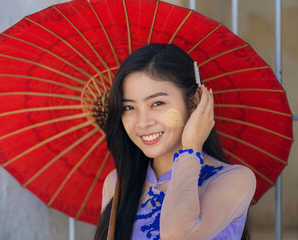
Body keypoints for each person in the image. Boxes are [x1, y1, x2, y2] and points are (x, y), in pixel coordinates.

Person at [94, 43, 256, 240]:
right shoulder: (118, 183)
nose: (143, 122)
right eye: (129, 108)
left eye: (157, 103)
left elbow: (178, 235)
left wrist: (191, 149)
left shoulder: (234, 180)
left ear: (194, 102)